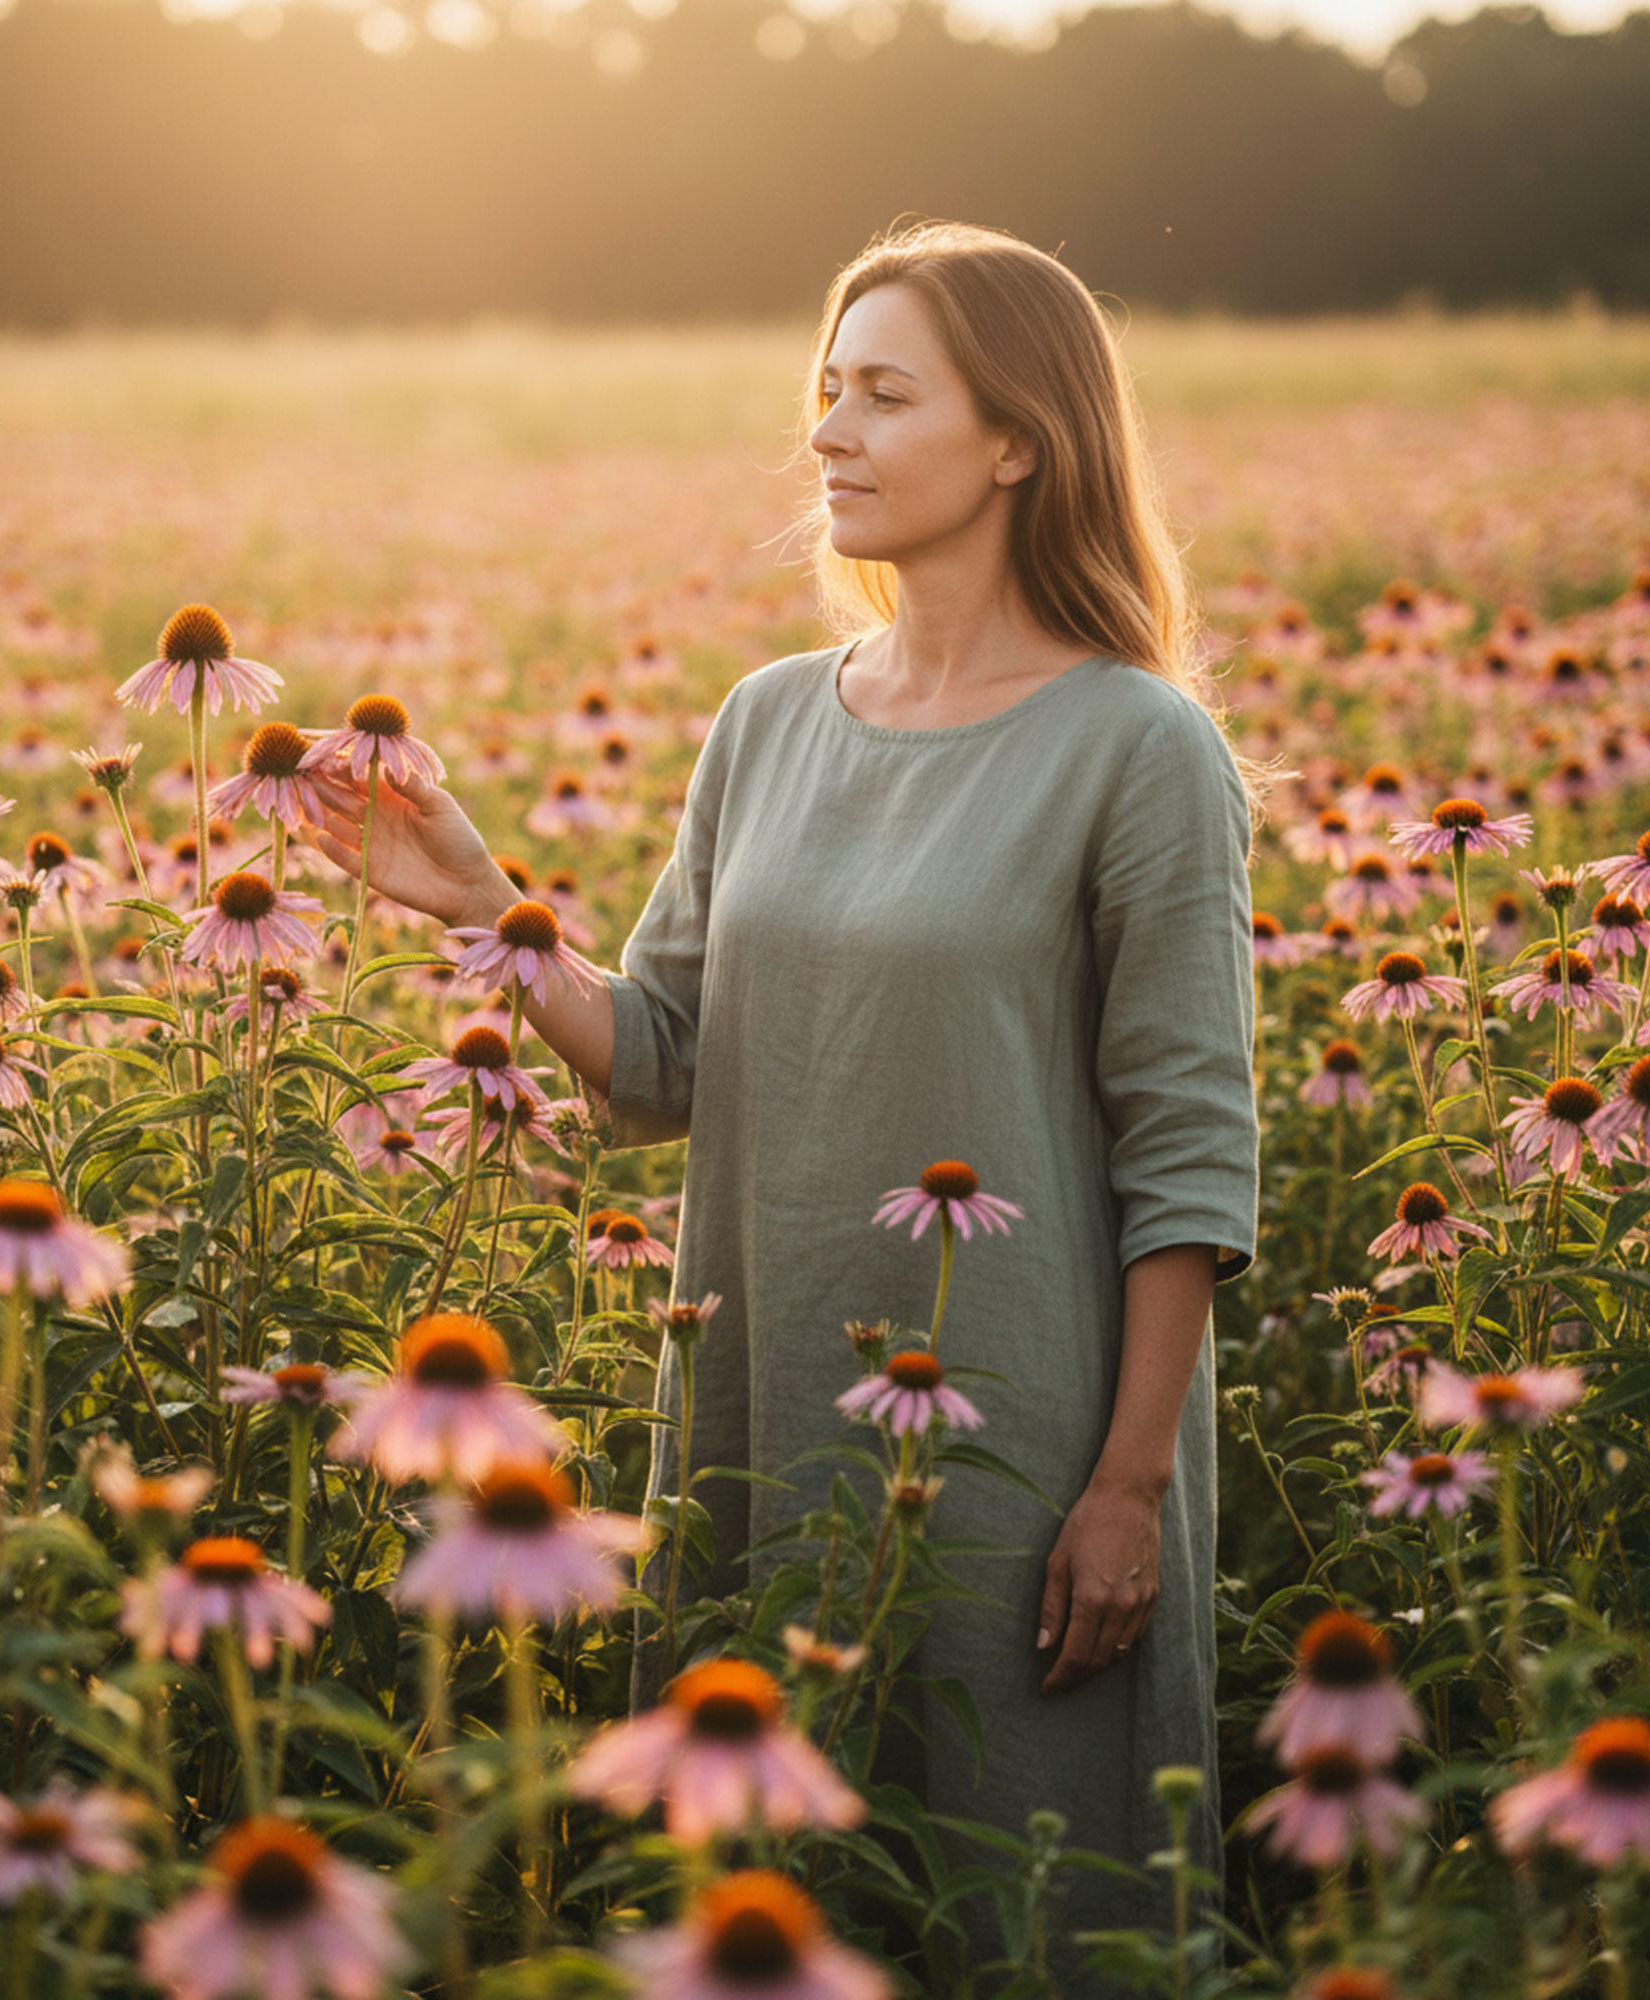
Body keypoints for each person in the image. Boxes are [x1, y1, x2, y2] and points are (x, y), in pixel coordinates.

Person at [311, 220, 1259, 1983]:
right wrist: (479, 903)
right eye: (825, 389)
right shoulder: (765, 723)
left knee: (1010, 1896)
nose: (829, 428)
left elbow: (1190, 1160)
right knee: (764, 1909)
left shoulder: (1141, 748)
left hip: (1016, 1453)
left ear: (1020, 439)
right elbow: (667, 1053)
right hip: (759, 1413)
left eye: (885, 394)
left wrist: (1128, 1487)